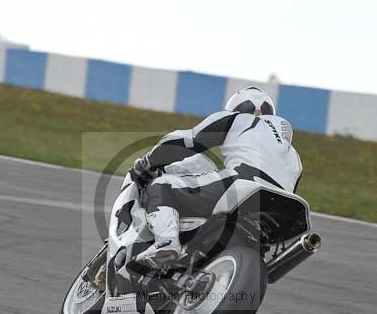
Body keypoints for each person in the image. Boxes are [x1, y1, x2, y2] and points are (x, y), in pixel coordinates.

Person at [130, 86, 304, 267]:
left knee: (161, 186)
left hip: (244, 183)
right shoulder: (295, 157)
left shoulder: (237, 119)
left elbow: (186, 141)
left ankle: (166, 243)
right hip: (285, 207)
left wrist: (148, 161)